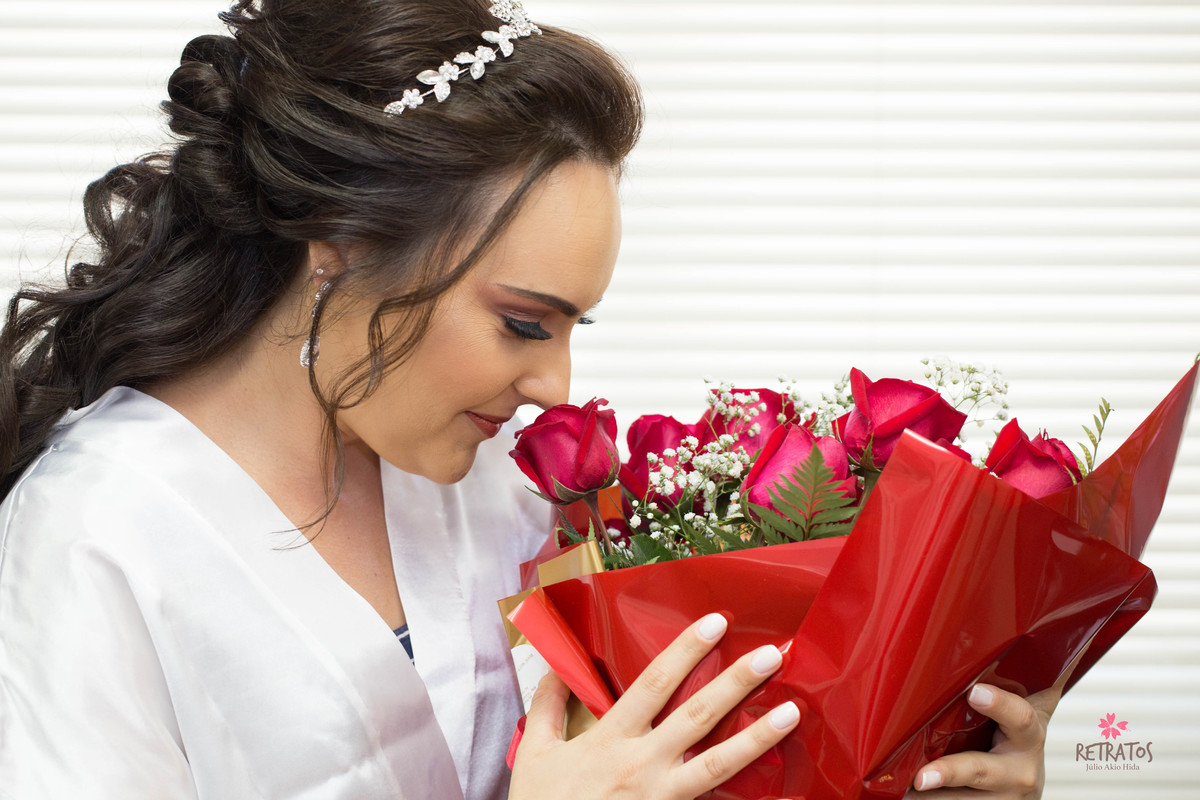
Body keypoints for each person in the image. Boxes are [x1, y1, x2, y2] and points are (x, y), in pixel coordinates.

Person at [0, 1, 1062, 798]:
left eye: (571, 327)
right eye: (521, 321)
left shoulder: (497, 488)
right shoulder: (92, 539)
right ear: (338, 252)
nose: (556, 388)